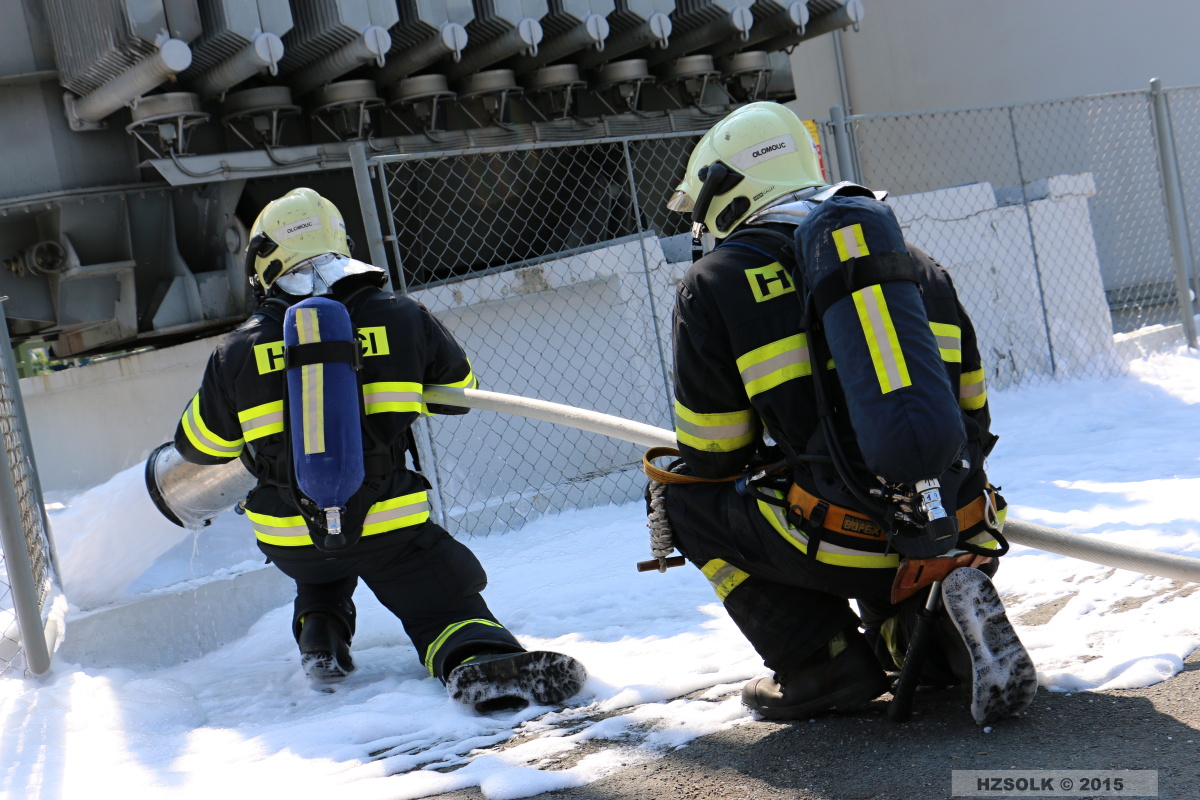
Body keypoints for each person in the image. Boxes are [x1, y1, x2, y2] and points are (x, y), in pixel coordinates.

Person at [655, 102, 1036, 725]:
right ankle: (931, 645)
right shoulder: (914, 264)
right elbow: (974, 412)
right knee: (858, 491)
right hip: (959, 521)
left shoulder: (717, 280)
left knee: (686, 502)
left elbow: (715, 451)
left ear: (726, 192)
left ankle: (821, 663)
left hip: (847, 542)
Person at [172, 187, 585, 711]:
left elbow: (201, 445)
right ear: (340, 242)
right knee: (442, 601)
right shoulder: (402, 315)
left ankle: (320, 634)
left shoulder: (235, 350)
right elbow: (460, 393)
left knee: (321, 566)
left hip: (288, 535)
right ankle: (477, 656)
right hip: (387, 521)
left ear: (265, 260)